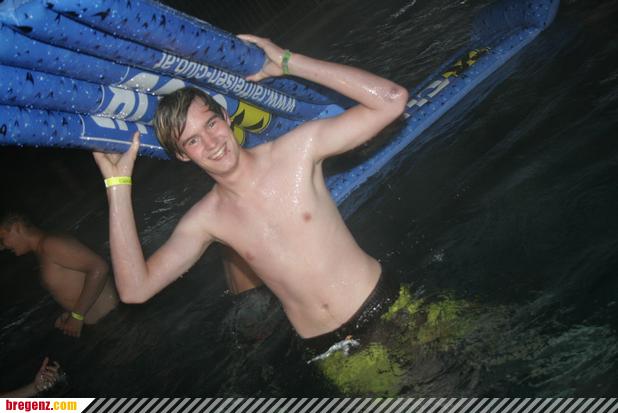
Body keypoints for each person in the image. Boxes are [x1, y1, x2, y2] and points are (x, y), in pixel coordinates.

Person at [93, 35, 408, 351]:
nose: (211, 143)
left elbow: (392, 100)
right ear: (182, 155)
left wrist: (288, 63)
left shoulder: (296, 151)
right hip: (327, 347)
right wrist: (117, 185)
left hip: (381, 305)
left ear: (226, 118)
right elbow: (135, 290)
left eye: (211, 124)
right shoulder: (206, 220)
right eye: (193, 141)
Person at [0, 213, 119, 337]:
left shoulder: (50, 244)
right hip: (105, 324)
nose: (1, 247)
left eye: (2, 239)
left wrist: (77, 316)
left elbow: (99, 268)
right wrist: (71, 313)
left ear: (17, 227)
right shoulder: (43, 250)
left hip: (114, 320)